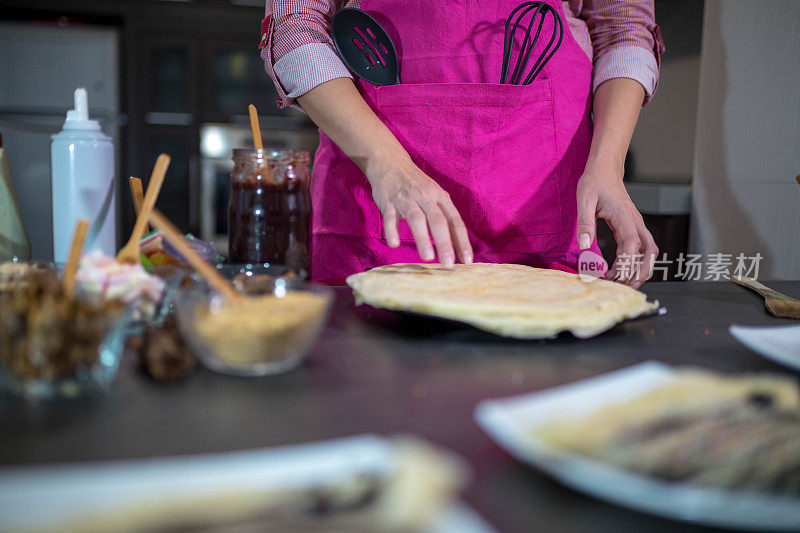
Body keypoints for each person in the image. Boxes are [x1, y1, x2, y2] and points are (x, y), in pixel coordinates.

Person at [259, 0, 664, 287]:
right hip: (377, 204)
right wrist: (385, 162)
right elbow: (295, 26)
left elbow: (623, 31)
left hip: (543, 211)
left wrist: (609, 166)